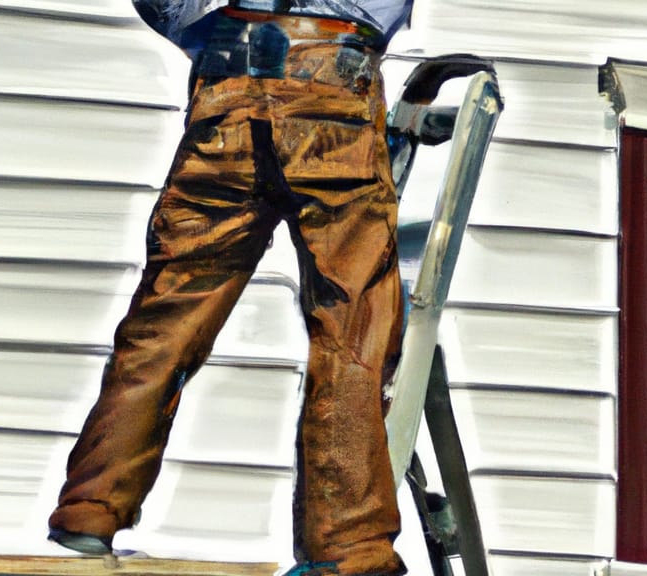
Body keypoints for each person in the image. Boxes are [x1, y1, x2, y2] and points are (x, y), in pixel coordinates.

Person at [48, 1, 413, 574]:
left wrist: (210, 35)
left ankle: (90, 510)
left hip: (228, 79)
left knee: (167, 315)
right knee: (352, 329)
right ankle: (350, 546)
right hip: (334, 79)